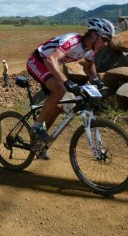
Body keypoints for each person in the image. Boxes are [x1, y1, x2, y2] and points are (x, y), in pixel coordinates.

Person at [26, 18, 114, 159]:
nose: (106, 43)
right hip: (37, 61)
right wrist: (66, 81)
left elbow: (90, 65)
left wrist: (96, 80)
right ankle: (36, 127)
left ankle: (39, 142)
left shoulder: (91, 49)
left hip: (49, 66)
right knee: (60, 89)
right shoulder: (72, 41)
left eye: (108, 40)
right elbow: (50, 60)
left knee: (58, 108)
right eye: (104, 39)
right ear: (93, 34)